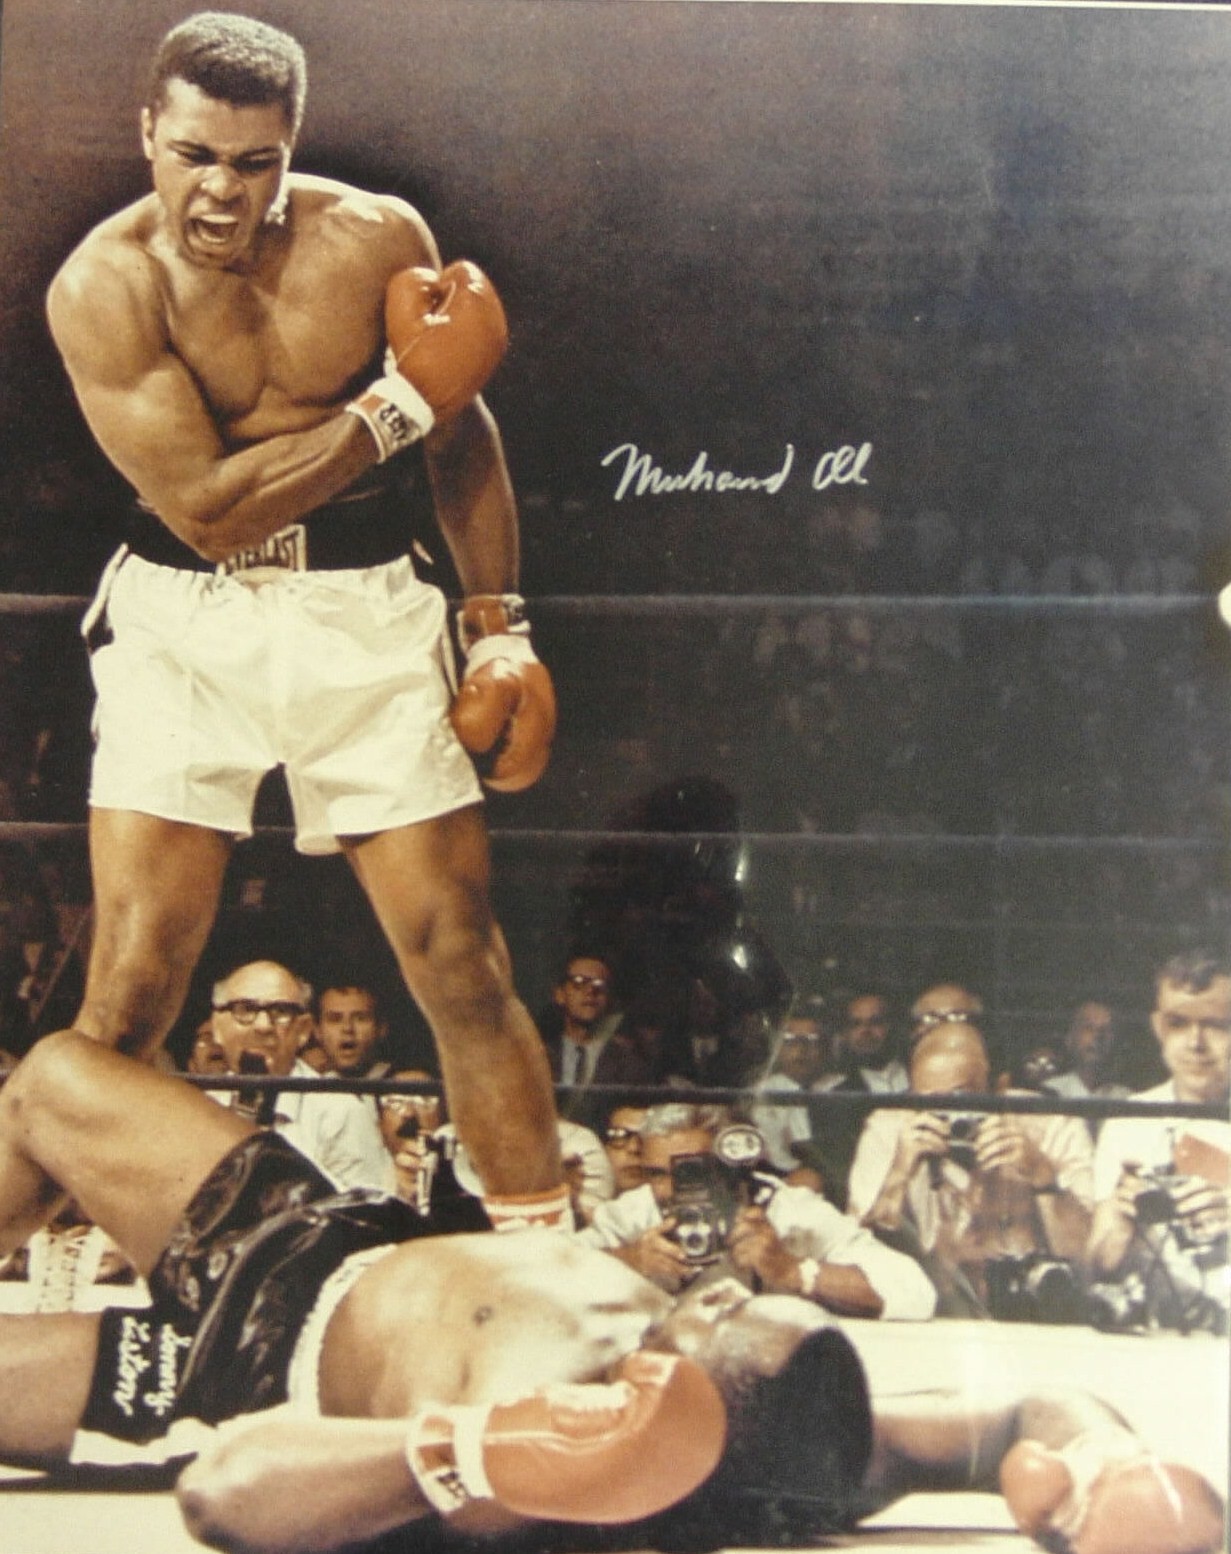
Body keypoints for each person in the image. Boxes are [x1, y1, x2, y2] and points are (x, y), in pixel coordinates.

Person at [0, 1031, 1221, 1554]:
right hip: (320, 1232)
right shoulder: (831, 1441)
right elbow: (1023, 1410)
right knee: (53, 1077)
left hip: (246, 1373)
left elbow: (227, 1487)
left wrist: (482, 1450)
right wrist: (1109, 1470)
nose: (713, 1290)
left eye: (716, 1315)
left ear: (680, 1386)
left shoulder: (558, 1438)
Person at [44, 11, 563, 1226]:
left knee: (459, 959)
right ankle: (44, 1269)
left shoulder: (375, 237)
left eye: (254, 161)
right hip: (184, 620)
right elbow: (211, 511)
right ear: (148, 133)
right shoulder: (105, 285)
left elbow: (458, 425)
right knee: (131, 990)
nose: (221, 191)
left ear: (292, 146)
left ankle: (541, 1264)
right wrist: (393, 409)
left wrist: (497, 623)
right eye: (192, 155)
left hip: (366, 610)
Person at [578, 1102, 937, 1320]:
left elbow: (914, 1292)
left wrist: (794, 1271)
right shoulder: (635, 1213)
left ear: (734, 1163)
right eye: (658, 1174)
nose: (672, 1190)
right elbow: (549, 1271)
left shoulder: (789, 1212)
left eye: (693, 1173)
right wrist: (629, 1260)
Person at [847, 1021, 1094, 1319]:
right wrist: (898, 1175)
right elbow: (859, 1259)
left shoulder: (1051, 1122)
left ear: (999, 1087)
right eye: (926, 1101)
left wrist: (1043, 1179)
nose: (942, 1116)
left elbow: (1086, 1261)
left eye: (957, 1098)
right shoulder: (889, 1127)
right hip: (928, 1315)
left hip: (1024, 1315)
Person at [1086, 950, 1230, 1333]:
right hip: (1152, 1337)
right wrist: (1120, 1224)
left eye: (1216, 1025)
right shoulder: (1129, 1121)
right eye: (1178, 1023)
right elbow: (1096, 1269)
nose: (1195, 1043)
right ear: (1157, 1027)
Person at [207, 957, 390, 1191]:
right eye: (244, 1010)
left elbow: (368, 1207)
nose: (263, 1026)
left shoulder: (341, 1110)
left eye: (280, 1011)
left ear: (304, 1030)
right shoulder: (196, 1107)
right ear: (217, 1027)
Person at [542, 950, 653, 1126]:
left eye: (599, 985)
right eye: (579, 982)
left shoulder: (630, 1065)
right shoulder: (539, 1057)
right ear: (560, 994)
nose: (590, 991)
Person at [314, 978, 392, 1080]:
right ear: (317, 1030)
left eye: (360, 1019)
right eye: (335, 1019)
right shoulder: (307, 1085)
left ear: (381, 1028)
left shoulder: (404, 1084)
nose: (347, 1028)